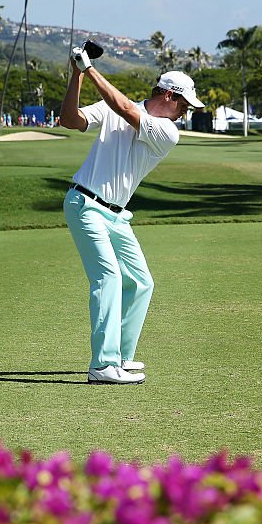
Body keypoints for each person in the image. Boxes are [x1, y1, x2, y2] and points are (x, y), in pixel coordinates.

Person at [59, 45, 204, 385]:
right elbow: (70, 120)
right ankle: (103, 365)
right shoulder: (114, 109)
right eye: (183, 104)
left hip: (116, 215)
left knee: (141, 282)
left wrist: (90, 68)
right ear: (168, 95)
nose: (185, 111)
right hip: (85, 205)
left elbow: (123, 107)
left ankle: (121, 356)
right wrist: (77, 75)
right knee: (107, 278)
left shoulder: (168, 132)